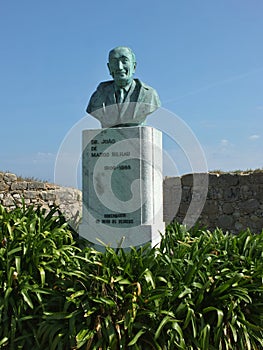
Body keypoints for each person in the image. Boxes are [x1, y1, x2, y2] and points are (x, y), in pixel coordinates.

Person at [86, 46, 161, 128]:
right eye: (114, 62)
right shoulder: (98, 96)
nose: (119, 67)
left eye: (124, 61)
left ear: (134, 66)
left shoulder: (149, 94)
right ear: (109, 67)